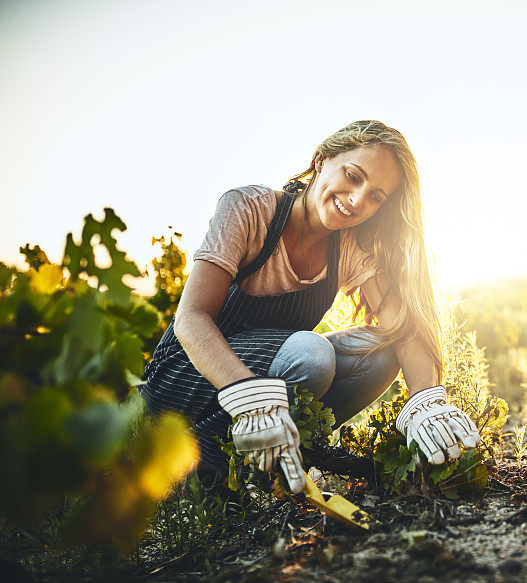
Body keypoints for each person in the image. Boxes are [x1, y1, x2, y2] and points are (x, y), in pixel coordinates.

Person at [140, 120, 480, 494]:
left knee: (382, 352)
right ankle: (193, 474)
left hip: (260, 396)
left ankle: (258, 471)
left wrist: (425, 399)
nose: (357, 199)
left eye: (376, 196)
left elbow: (404, 328)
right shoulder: (249, 209)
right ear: (321, 160)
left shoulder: (351, 248)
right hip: (179, 381)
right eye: (353, 176)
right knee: (311, 354)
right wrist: (249, 396)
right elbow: (191, 319)